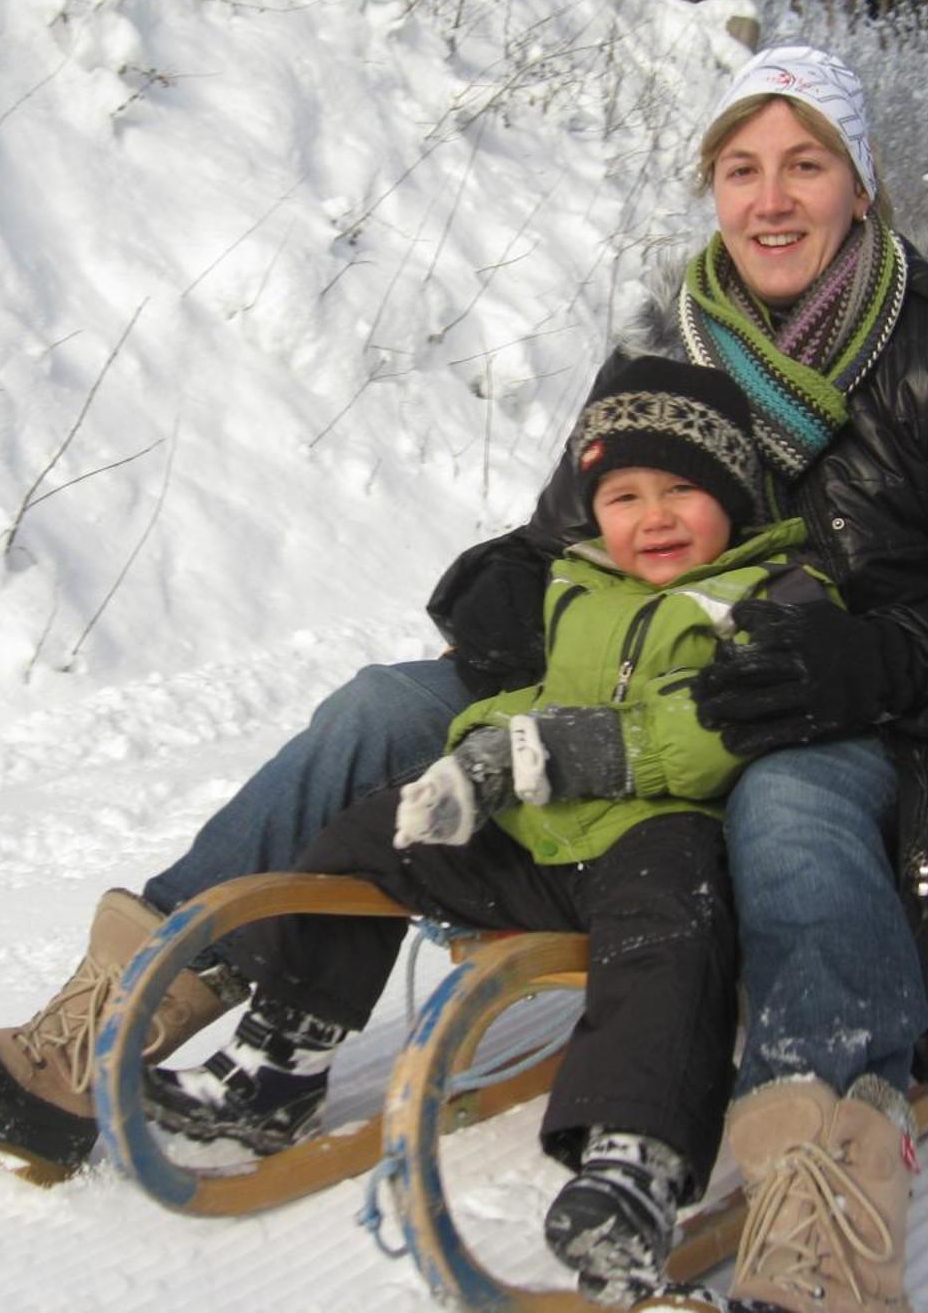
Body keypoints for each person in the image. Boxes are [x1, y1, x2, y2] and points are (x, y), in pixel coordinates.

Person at [0, 42, 928, 1313]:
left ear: (862, 184)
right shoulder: (669, 344)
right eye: (740, 168)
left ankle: (822, 1205)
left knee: (787, 798)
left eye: (806, 164)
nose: (771, 199)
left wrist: (888, 654)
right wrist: (508, 585)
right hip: (644, 712)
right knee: (379, 708)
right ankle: (101, 1026)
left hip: (861, 734)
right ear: (710, 188)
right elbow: (566, 538)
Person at [141, 357, 830, 1300]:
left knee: (676, 930)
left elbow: (724, 727)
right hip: (551, 841)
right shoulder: (579, 586)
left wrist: (573, 749)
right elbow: (529, 697)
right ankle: (283, 1053)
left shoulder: (777, 595)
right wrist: (473, 758)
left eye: (682, 490)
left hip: (665, 835)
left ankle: (635, 1159)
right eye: (623, 495)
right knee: (377, 833)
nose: (653, 517)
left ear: (735, 496)